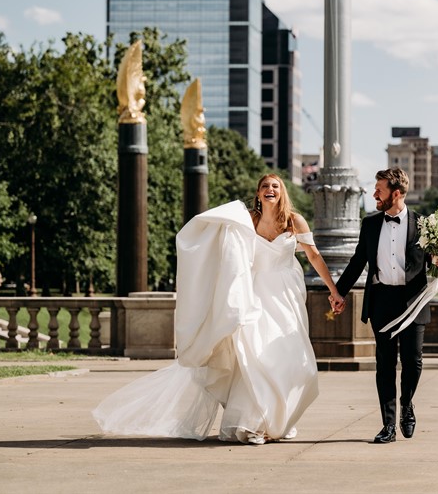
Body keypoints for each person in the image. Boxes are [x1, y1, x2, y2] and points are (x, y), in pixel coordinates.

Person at [93, 174, 344, 444]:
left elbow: (314, 256)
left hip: (285, 296)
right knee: (254, 358)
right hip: (253, 295)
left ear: (282, 193)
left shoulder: (295, 221)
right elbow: (220, 245)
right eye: (264, 187)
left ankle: (277, 421)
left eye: (275, 186)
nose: (270, 190)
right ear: (258, 194)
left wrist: (333, 289)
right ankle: (253, 424)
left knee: (294, 362)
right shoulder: (245, 219)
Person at [334, 167, 438, 444]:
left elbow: (432, 261)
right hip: (381, 302)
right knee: (384, 365)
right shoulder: (369, 224)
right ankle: (388, 425)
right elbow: (358, 261)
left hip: (413, 303)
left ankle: (407, 404)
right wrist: (339, 293)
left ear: (396, 193)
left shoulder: (424, 224)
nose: (374, 194)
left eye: (379, 190)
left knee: (413, 362)